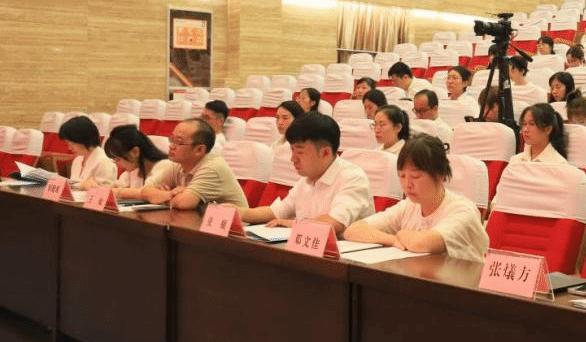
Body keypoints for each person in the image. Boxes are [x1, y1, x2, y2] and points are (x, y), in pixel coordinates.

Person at [344, 135, 489, 262]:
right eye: (402, 176)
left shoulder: (463, 210)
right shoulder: (408, 206)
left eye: (416, 176)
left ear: (440, 175)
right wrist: (392, 239)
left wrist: (402, 234)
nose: (407, 184)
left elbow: (424, 243)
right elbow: (353, 230)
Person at [235, 112, 373, 234]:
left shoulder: (353, 177)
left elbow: (334, 222)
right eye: (292, 151)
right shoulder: (307, 179)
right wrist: (238, 212)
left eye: (300, 152)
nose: (293, 159)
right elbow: (276, 212)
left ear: (325, 153)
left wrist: (293, 224)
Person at [141, 119, 248, 209]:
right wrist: (170, 194)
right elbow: (146, 191)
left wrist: (161, 196)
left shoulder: (213, 168)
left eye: (179, 142)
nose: (171, 146)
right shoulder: (179, 163)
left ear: (199, 150)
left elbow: (182, 203)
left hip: (231, 226)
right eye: (171, 140)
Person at [98, 125, 173, 198]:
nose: (117, 164)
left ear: (135, 152)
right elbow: (115, 186)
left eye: (118, 159)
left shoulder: (164, 166)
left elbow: (146, 193)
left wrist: (115, 191)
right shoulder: (133, 171)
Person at [60, 116, 116, 188]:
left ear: (83, 139)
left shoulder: (105, 162)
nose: (69, 147)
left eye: (72, 143)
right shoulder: (77, 160)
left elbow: (105, 190)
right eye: (68, 143)